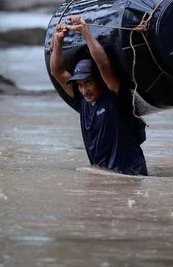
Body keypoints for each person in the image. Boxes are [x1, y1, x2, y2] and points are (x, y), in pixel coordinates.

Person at [49, 15, 148, 176]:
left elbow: (103, 64)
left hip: (130, 174)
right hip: (105, 175)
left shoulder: (115, 97)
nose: (84, 90)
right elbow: (57, 71)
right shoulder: (82, 101)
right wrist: (58, 41)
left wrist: (84, 31)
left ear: (101, 81)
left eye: (88, 83)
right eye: (80, 85)